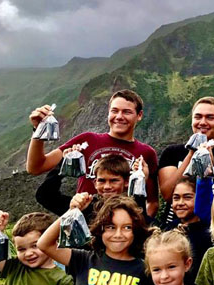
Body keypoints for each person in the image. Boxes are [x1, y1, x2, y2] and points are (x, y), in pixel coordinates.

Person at [27, 90, 159, 217]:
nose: (119, 117)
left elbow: (152, 202)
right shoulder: (87, 140)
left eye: (127, 112)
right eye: (114, 111)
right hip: (85, 217)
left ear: (139, 115)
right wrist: (39, 130)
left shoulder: (146, 153)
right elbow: (36, 167)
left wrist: (139, 226)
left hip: (121, 225)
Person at [157, 97, 214, 209]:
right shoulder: (172, 153)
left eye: (210, 118)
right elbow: (168, 195)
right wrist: (192, 154)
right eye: (198, 117)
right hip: (177, 223)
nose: (202, 122)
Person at [165, 176, 214, 285]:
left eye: (187, 197)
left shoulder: (210, 233)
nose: (180, 203)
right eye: (176, 198)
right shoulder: (168, 229)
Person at [36, 154, 130, 223]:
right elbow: (44, 195)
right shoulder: (85, 207)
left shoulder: (135, 208)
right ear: (95, 183)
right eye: (102, 181)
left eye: (114, 180)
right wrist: (64, 164)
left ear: (126, 182)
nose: (107, 187)